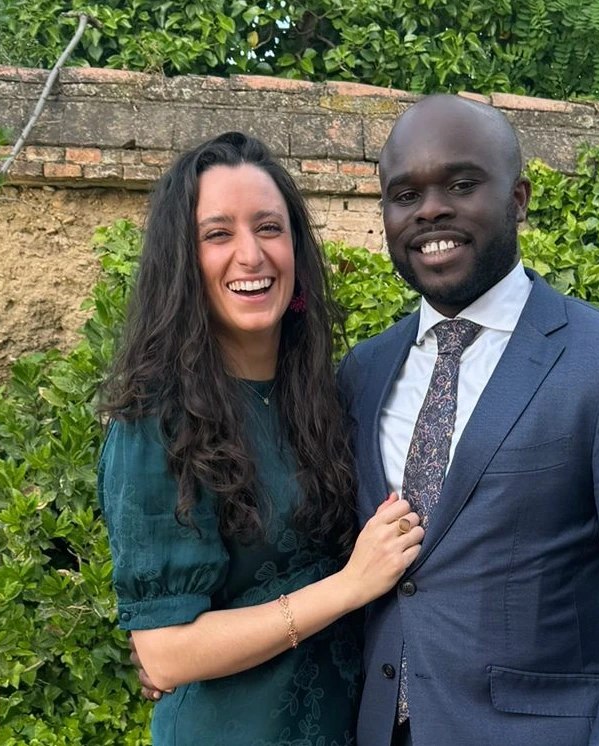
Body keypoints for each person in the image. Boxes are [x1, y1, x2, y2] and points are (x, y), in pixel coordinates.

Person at [336, 95, 599, 746]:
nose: (429, 210)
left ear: (518, 198)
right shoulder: (363, 372)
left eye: (460, 183)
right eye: (404, 194)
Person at [97, 131, 424, 746]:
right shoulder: (156, 421)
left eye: (269, 228)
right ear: (182, 260)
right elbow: (165, 654)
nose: (251, 255)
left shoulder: (329, 395)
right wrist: (349, 586)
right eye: (218, 234)